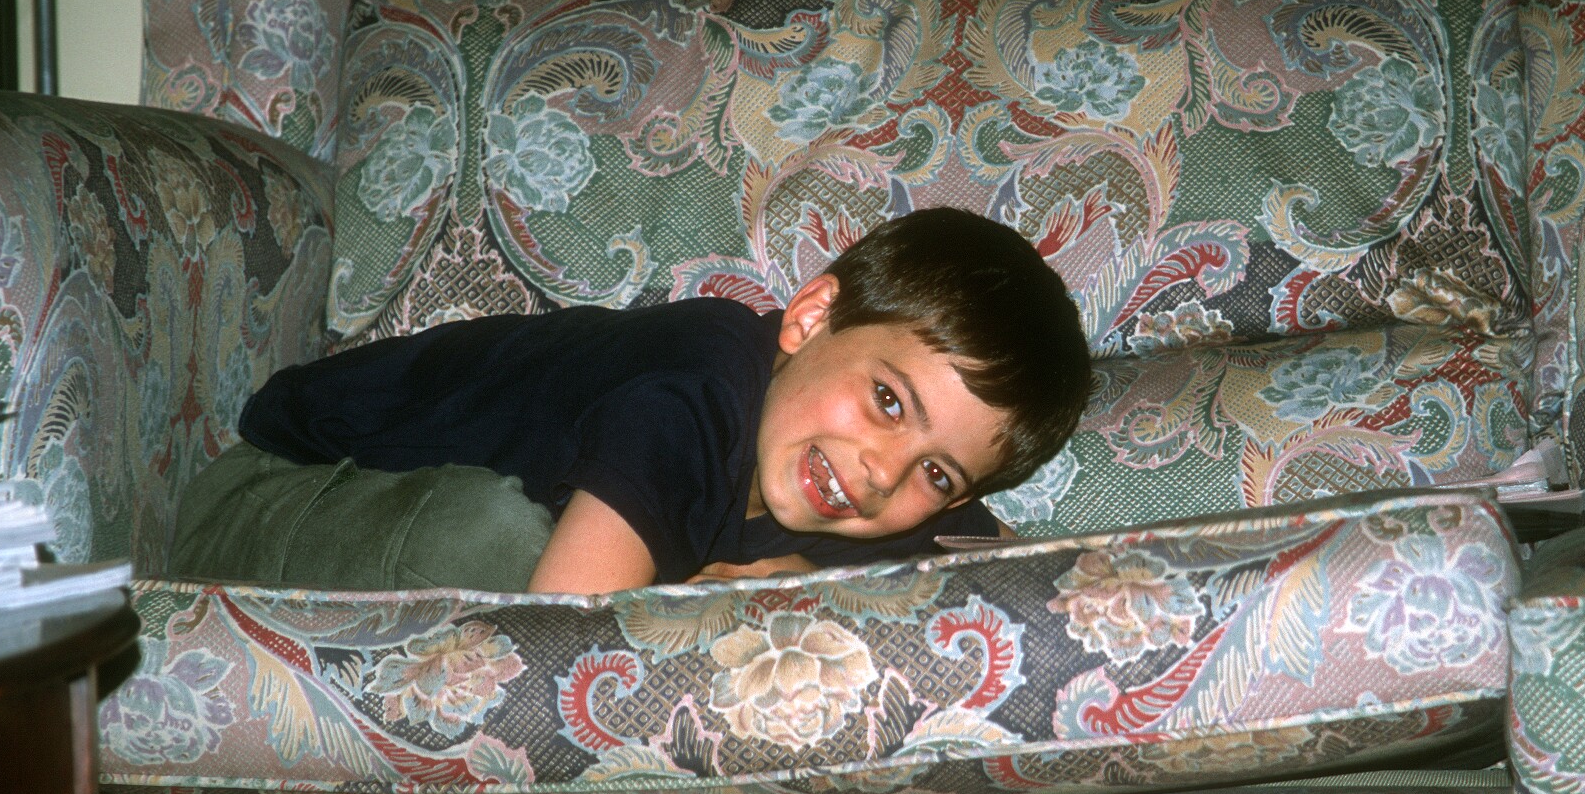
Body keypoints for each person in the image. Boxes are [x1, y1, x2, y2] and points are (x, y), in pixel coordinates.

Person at [226, 207, 1091, 593]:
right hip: (277, 496)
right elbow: (573, 642)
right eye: (890, 402)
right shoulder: (696, 386)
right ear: (810, 319)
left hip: (410, 531)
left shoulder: (855, 482)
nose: (881, 473)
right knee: (502, 545)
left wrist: (821, 580)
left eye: (937, 474)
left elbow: (1031, 582)